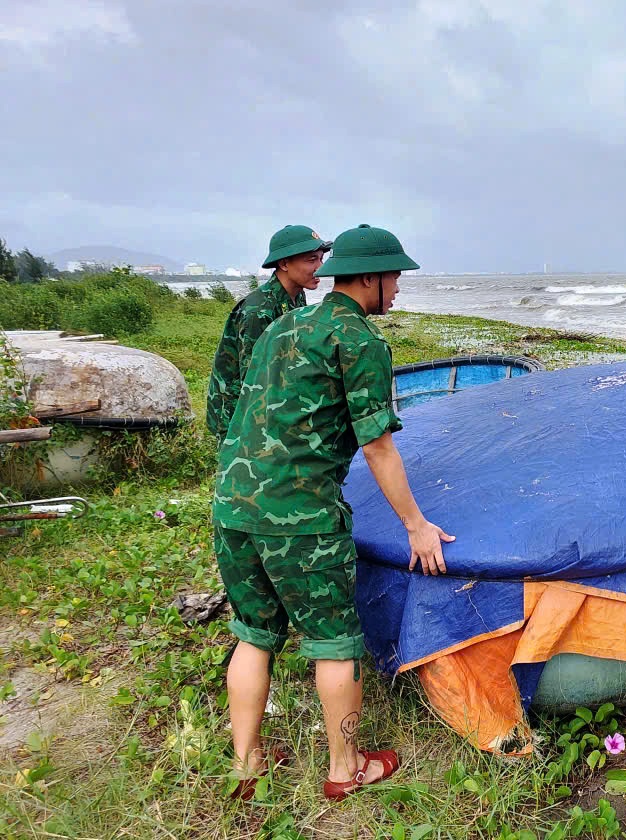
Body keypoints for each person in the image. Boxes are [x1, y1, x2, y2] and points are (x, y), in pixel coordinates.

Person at [212, 224, 454, 802]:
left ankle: (247, 766)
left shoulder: (282, 325)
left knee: (255, 635)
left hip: (232, 507)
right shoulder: (360, 340)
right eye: (394, 276)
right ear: (369, 277)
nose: (398, 287)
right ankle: (346, 770)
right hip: (299, 521)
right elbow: (378, 447)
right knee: (335, 643)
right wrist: (417, 527)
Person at [207, 225, 331, 443]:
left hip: (270, 406)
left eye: (321, 259)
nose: (320, 267)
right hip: (239, 415)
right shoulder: (258, 311)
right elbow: (253, 380)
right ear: (284, 264)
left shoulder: (296, 297)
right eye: (312, 260)